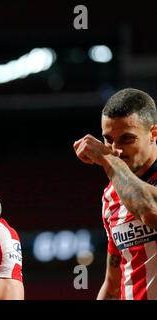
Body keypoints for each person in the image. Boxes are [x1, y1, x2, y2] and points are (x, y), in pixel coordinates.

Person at [74, 88, 157, 300]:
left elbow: (150, 211)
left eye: (127, 139)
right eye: (108, 139)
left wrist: (108, 160)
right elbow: (113, 285)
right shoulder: (112, 194)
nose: (116, 149)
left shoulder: (113, 166)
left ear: (153, 134)